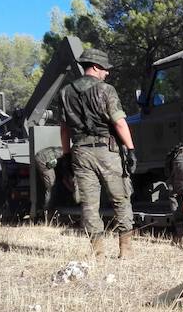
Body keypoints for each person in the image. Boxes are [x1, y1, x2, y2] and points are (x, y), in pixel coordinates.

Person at [58, 48, 137, 259]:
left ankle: (98, 253)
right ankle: (126, 251)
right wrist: (130, 150)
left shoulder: (65, 93)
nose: (107, 73)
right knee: (120, 199)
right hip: (107, 151)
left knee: (89, 204)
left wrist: (66, 156)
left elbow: (64, 129)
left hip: (81, 153)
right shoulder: (106, 90)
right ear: (95, 67)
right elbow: (119, 122)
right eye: (105, 69)